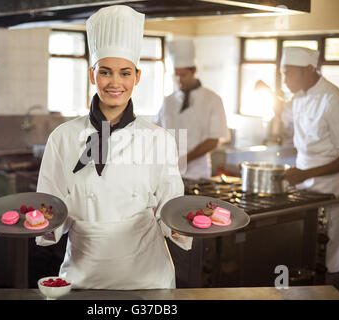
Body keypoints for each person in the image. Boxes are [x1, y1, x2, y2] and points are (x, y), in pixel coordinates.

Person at [35, 5, 192, 290]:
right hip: (82, 278)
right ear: (93, 75)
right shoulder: (63, 137)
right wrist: (35, 222)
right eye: (106, 72)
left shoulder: (159, 139)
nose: (115, 83)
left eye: (125, 73)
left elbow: (171, 208)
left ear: (137, 77)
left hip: (148, 280)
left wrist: (189, 222)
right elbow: (49, 208)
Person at [277, 47, 339, 276]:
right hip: (303, 181)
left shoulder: (334, 100)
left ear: (310, 69)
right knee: (303, 245)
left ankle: (338, 286)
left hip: (330, 186)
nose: (285, 80)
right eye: (283, 74)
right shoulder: (300, 97)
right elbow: (288, 119)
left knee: (330, 247)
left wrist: (307, 173)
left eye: (289, 74)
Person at [155, 38, 228, 180]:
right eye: (176, 74)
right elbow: (155, 131)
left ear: (194, 71)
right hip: (168, 175)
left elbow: (213, 141)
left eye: (183, 75)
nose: (179, 79)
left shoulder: (212, 100)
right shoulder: (168, 101)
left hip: (197, 175)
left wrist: (183, 160)